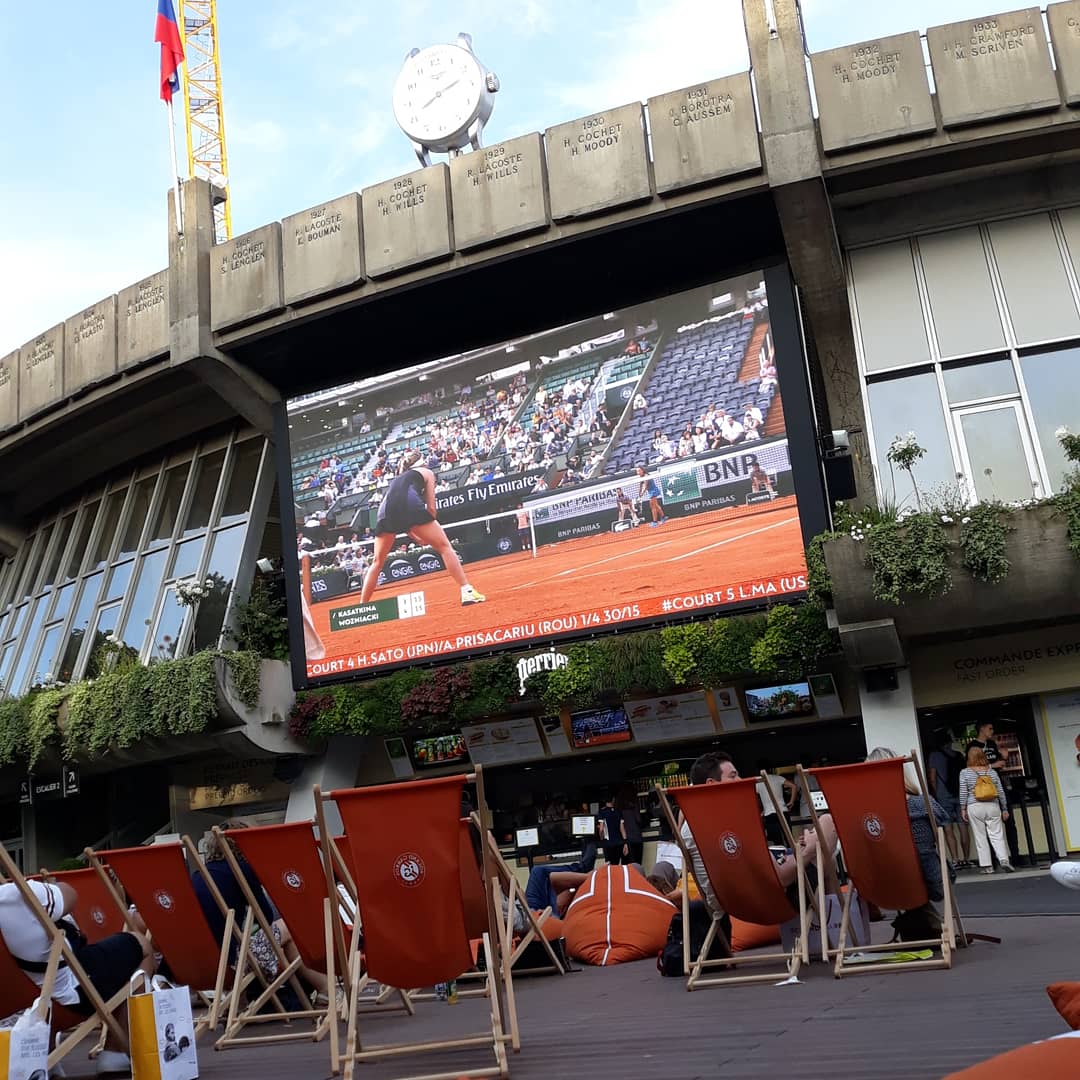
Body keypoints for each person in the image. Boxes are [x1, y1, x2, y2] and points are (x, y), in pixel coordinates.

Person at [0, 876, 155, 1075]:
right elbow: (70, 895)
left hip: (14, 1009)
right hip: (68, 999)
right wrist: (45, 886)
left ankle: (41, 1050)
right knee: (140, 944)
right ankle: (115, 1051)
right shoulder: (15, 895)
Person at [682, 751, 839, 913]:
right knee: (827, 826)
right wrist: (809, 850)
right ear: (711, 783)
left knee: (822, 855)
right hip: (769, 903)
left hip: (725, 905)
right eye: (733, 776)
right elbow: (781, 878)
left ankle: (827, 923)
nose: (740, 781)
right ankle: (832, 924)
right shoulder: (735, 820)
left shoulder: (689, 826)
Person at [361, 449, 485, 606]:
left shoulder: (399, 479)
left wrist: (417, 535)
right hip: (410, 507)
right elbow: (431, 509)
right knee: (445, 547)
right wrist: (429, 531)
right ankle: (467, 591)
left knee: (377, 562)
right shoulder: (427, 473)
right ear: (423, 462)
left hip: (384, 512)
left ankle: (362, 608)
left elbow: (401, 514)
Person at [866, 748, 951, 901]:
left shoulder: (867, 815)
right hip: (931, 882)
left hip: (884, 886)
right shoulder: (922, 804)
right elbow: (943, 819)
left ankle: (919, 919)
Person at [959, 747, 1013, 875]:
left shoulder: (965, 772)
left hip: (975, 806)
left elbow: (963, 792)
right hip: (992, 805)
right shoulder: (992, 772)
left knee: (980, 836)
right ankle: (1004, 860)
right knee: (997, 835)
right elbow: (1000, 791)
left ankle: (987, 866)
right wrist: (1004, 808)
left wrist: (963, 808)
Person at [927, 729, 970, 868]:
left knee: (948, 829)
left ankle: (955, 860)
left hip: (943, 796)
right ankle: (967, 859)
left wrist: (935, 794)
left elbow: (932, 778)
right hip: (960, 795)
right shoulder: (958, 755)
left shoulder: (934, 756)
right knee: (963, 827)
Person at [755, 758, 797, 846]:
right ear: (770, 768)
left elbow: (753, 797)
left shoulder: (758, 782)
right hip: (783, 811)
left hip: (769, 814)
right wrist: (791, 802)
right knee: (790, 840)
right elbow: (793, 786)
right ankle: (794, 858)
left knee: (778, 843)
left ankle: (782, 859)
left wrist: (761, 811)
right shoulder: (778, 778)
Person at [616, 784, 644, 865]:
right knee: (637, 864)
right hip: (636, 836)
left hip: (625, 839)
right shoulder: (634, 804)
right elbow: (638, 819)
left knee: (627, 865)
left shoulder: (619, 806)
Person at [598, 795, 623, 865]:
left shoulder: (602, 812)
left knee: (609, 865)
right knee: (616, 863)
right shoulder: (618, 811)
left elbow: (601, 828)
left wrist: (601, 838)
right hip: (618, 842)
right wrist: (625, 842)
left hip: (608, 843)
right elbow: (622, 828)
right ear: (613, 800)